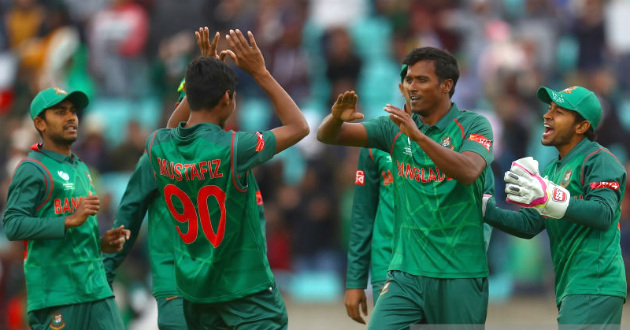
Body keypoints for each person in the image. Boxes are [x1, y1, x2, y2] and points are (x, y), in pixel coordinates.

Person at [318, 47, 494, 329]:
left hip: (459, 271)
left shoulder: (474, 125)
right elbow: (328, 136)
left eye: (421, 80)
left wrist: (418, 137)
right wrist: (335, 118)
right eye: (409, 80)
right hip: (404, 272)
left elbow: (469, 170)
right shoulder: (392, 129)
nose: (411, 87)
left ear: (446, 85)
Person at [145, 29, 309, 330]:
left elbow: (174, 124)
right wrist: (260, 72)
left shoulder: (158, 144)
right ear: (227, 99)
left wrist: (197, 78)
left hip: (196, 295)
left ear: (189, 96)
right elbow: (298, 127)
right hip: (246, 294)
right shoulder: (233, 147)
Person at [103, 27, 221, 330]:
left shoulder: (229, 153)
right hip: (175, 287)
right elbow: (127, 218)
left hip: (223, 286)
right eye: (187, 104)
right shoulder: (155, 158)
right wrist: (105, 275)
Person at [483, 86, 626, 329]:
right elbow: (529, 225)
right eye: (549, 109)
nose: (547, 116)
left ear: (581, 126)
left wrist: (551, 198)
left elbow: (603, 214)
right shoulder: (551, 170)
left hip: (596, 282)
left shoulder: (599, 159)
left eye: (558, 112)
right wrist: (487, 210)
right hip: (573, 286)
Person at [3, 87, 129, 330]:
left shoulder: (81, 167)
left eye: (73, 111)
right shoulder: (32, 168)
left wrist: (100, 242)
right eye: (60, 112)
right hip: (57, 294)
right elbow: (13, 225)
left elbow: (76, 228)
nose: (71, 117)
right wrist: (69, 220)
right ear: (40, 123)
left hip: (96, 289)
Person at [344, 147, 395, 325]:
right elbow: (362, 216)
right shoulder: (377, 141)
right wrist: (355, 281)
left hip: (440, 266)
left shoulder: (454, 134)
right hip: (388, 265)